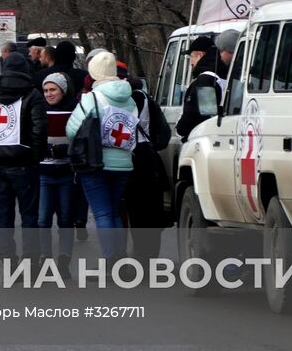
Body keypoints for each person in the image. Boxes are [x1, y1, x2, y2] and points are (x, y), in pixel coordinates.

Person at [66, 50, 141, 259]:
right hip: (124, 163)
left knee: (102, 214)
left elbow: (72, 130)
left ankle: (111, 260)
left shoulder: (92, 98)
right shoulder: (131, 99)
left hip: (95, 163)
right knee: (115, 212)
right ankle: (119, 256)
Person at [0, 51, 46, 260]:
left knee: (4, 215)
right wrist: (35, 156)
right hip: (24, 163)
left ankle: (7, 259)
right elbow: (39, 128)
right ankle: (32, 263)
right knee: (29, 216)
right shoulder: (32, 95)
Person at [120, 78, 173, 266]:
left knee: (135, 210)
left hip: (128, 157)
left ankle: (140, 256)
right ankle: (149, 256)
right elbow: (163, 133)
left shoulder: (119, 100)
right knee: (151, 209)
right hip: (149, 158)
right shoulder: (148, 100)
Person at [36, 72, 78, 277]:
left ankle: (64, 260)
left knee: (66, 219)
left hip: (66, 173)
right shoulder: (40, 110)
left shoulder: (74, 109)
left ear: (63, 90)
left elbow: (80, 139)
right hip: (44, 172)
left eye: (53, 90)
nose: (48, 94)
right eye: (45, 90)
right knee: (43, 219)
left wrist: (67, 151)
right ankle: (45, 258)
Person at [176, 34, 226, 140]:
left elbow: (206, 115)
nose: (191, 63)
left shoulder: (206, 80)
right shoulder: (223, 76)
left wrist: (181, 128)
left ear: (200, 55)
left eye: (192, 57)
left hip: (201, 139)